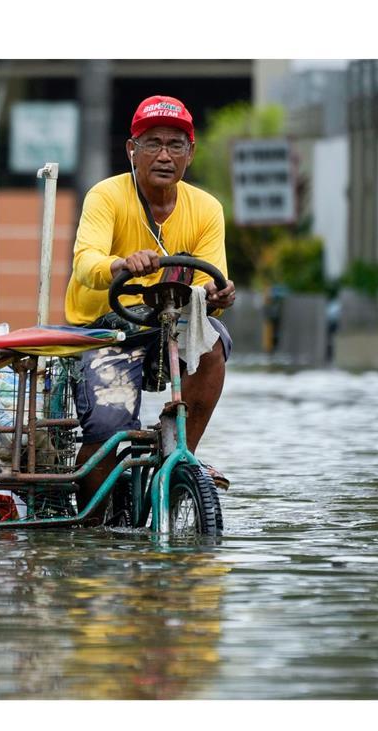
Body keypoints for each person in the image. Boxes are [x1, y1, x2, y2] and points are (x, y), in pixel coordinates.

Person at [67, 95, 237, 514]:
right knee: (108, 426)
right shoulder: (106, 196)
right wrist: (120, 264)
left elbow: (208, 283)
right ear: (132, 150)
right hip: (104, 328)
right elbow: (86, 262)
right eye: (153, 144)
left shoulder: (206, 208)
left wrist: (218, 298)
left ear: (190, 154)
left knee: (212, 340)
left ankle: (179, 456)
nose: (164, 155)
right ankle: (92, 526)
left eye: (175, 145)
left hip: (168, 327)